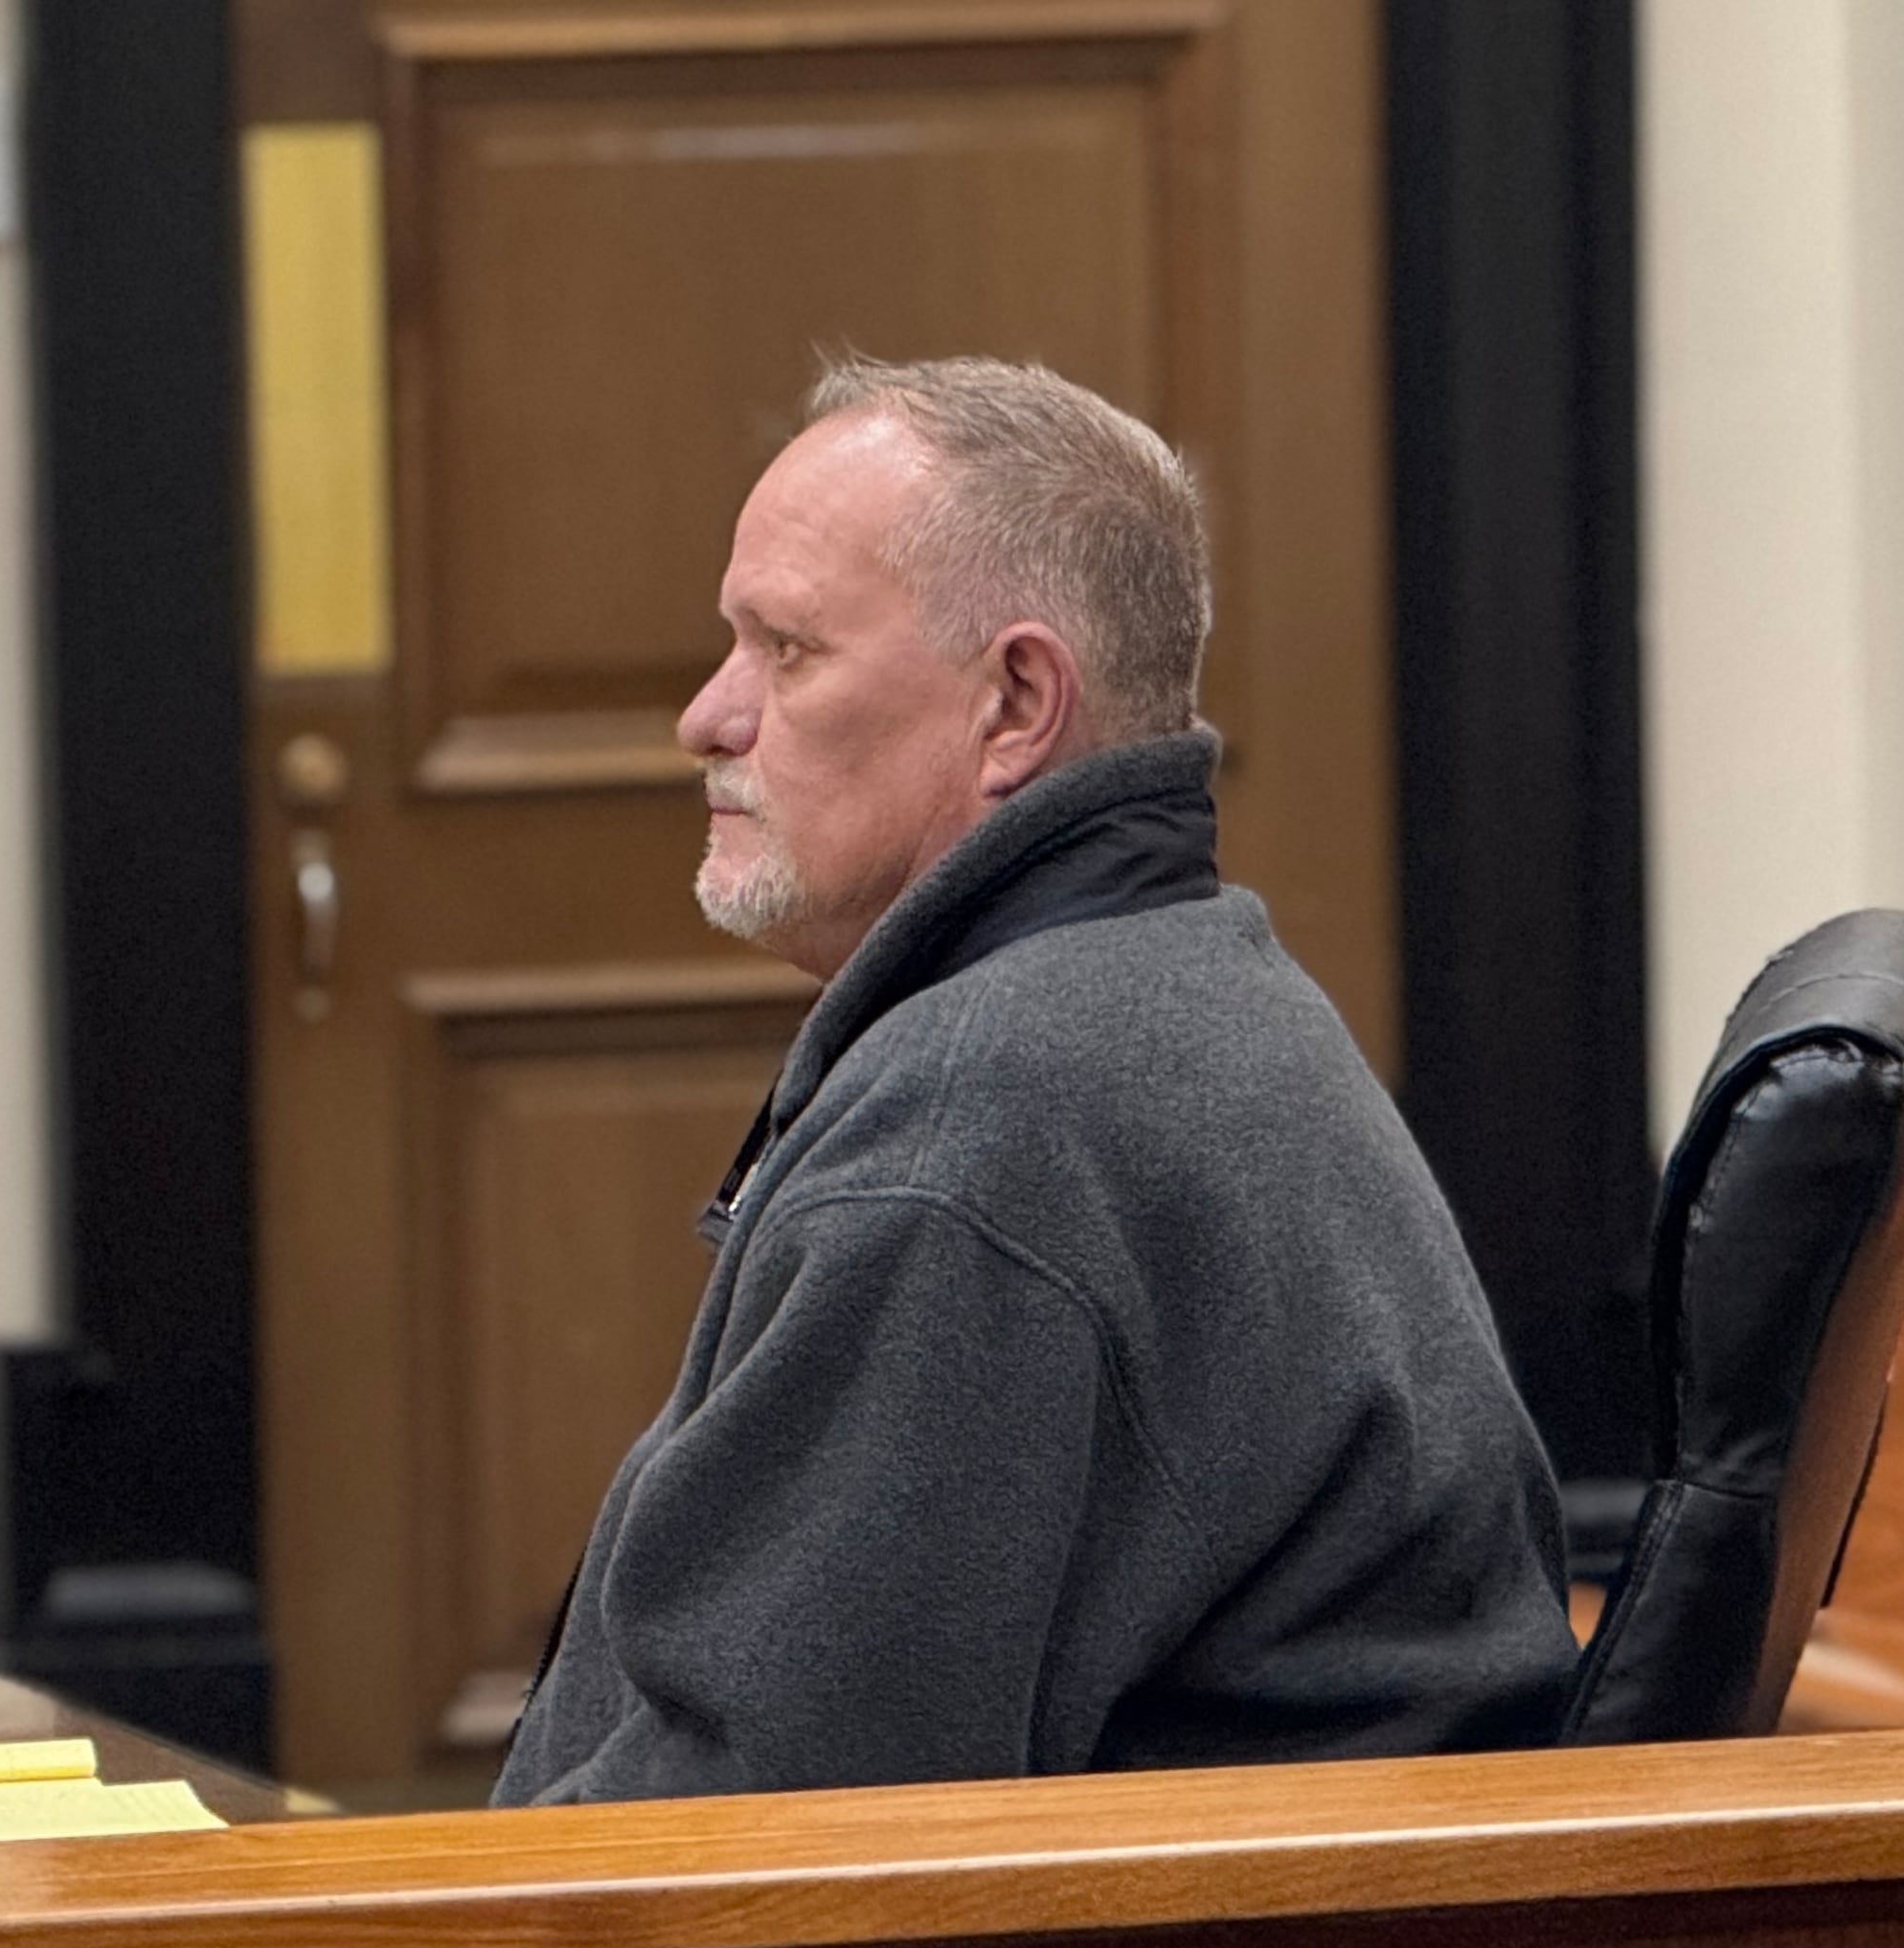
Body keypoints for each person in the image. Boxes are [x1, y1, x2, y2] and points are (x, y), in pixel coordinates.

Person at [489, 356, 1577, 1807]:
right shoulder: (1166, 986)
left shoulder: (987, 1124)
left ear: (1015, 702)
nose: (707, 714)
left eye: (787, 651)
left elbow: (755, 1846)